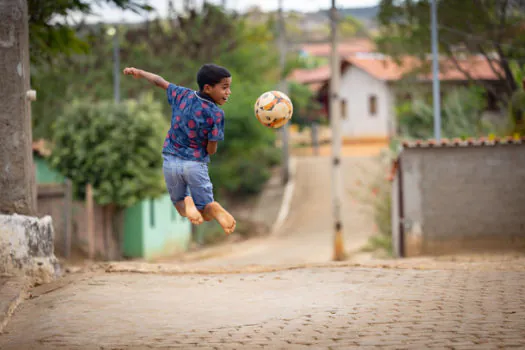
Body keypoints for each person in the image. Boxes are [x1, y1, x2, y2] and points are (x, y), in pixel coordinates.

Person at [123, 64, 236, 234]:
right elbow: (211, 149)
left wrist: (140, 72)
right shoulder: (217, 114)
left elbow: (159, 81)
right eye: (225, 87)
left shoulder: (182, 94)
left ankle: (187, 201)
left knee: (179, 204)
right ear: (208, 88)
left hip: (171, 160)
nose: (229, 92)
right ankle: (211, 207)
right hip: (195, 165)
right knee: (205, 212)